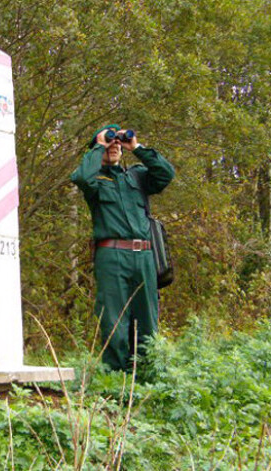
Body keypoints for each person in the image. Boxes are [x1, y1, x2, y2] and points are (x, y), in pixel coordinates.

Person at [70, 124, 175, 372]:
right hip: (112, 255)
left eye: (117, 143)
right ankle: (116, 378)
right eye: (110, 144)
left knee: (147, 319)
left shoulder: (137, 175)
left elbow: (166, 174)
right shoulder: (95, 180)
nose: (115, 147)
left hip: (145, 256)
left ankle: (147, 373)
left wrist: (136, 147)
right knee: (114, 319)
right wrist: (99, 145)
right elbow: (80, 177)